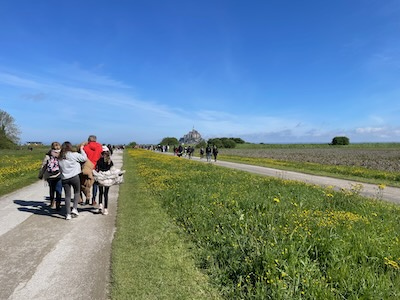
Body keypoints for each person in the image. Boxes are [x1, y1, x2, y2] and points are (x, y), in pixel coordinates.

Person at [58, 141, 87, 220]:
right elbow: (84, 158)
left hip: (64, 178)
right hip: (74, 176)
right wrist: (82, 149)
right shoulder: (73, 155)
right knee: (77, 192)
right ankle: (74, 208)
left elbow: (60, 169)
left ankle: (68, 214)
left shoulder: (60, 157)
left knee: (67, 196)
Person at [39, 142, 62, 210]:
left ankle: (52, 202)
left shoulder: (48, 155)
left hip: (50, 176)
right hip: (59, 175)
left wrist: (41, 175)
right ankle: (58, 204)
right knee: (59, 190)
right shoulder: (61, 155)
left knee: (52, 189)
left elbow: (43, 166)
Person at [83, 135, 102, 205]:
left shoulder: (85, 147)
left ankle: (87, 198)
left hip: (87, 167)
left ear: (88, 140)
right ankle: (94, 199)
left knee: (87, 184)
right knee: (95, 185)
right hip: (96, 167)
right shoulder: (99, 146)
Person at [95, 145, 114, 215]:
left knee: (100, 192)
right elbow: (112, 169)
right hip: (107, 178)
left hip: (100, 177)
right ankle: (105, 209)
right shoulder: (109, 161)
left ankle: (100, 205)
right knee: (106, 194)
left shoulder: (99, 160)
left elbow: (97, 168)